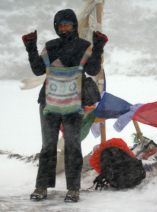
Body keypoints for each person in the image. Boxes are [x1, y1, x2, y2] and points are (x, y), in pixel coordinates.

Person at [22, 8, 108, 202]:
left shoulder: (84, 46)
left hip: (74, 105)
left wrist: (99, 46)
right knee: (48, 147)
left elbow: (93, 69)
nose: (64, 29)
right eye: (60, 25)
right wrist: (31, 47)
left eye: (67, 25)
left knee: (73, 146)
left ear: (74, 26)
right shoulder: (51, 46)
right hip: (48, 103)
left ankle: (73, 189)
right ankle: (41, 187)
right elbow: (38, 70)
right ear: (55, 27)